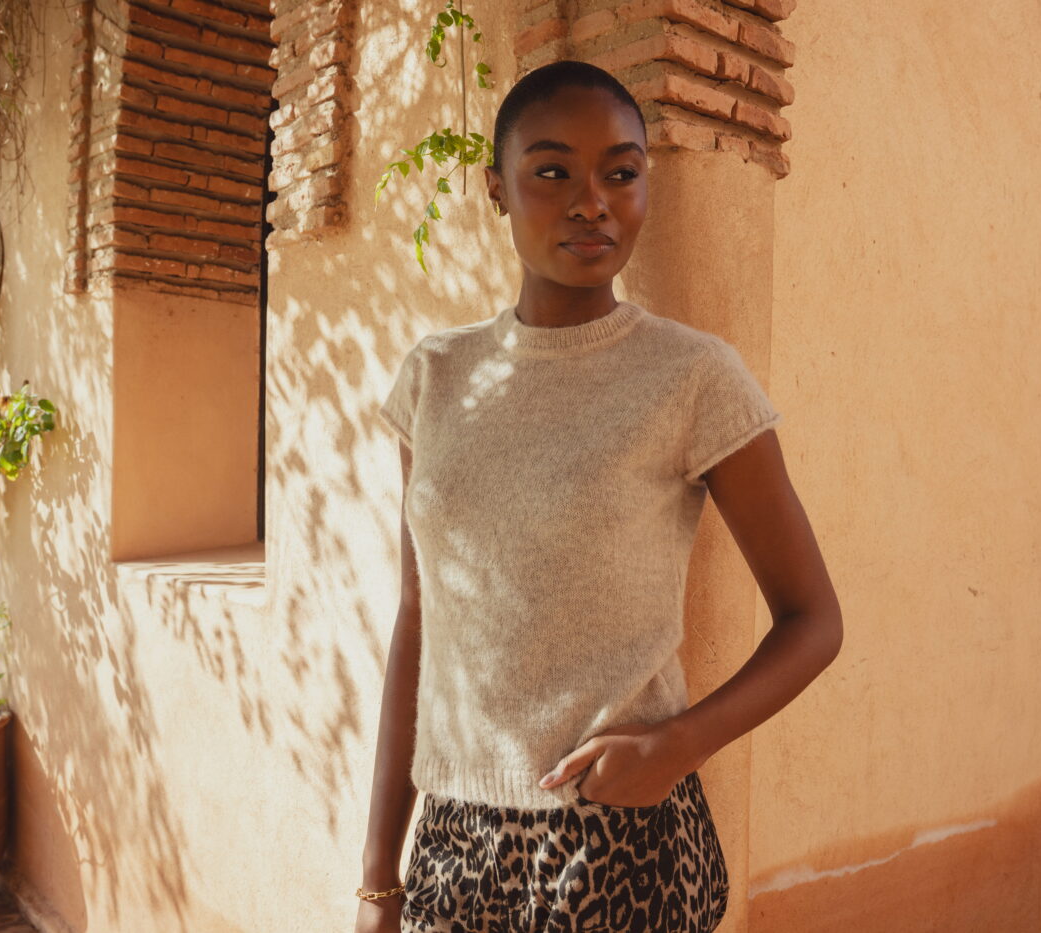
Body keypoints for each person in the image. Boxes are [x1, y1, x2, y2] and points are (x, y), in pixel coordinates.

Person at [354, 59, 843, 933]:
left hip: (621, 843)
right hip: (454, 850)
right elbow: (419, 619)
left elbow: (814, 620)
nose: (593, 203)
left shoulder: (692, 376)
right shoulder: (435, 377)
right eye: (553, 172)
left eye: (622, 173)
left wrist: (679, 743)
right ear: (496, 189)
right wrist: (377, 879)